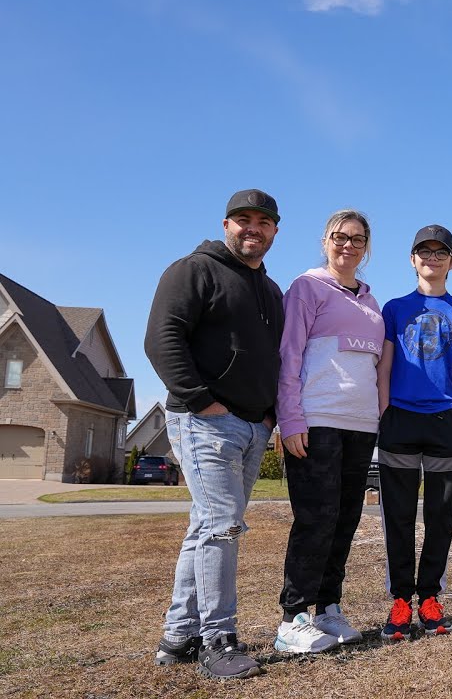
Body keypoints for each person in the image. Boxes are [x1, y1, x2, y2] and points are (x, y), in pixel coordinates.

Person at [144, 189, 285, 680]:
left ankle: (178, 635)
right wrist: (203, 401)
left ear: (274, 231)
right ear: (226, 225)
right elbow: (162, 338)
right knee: (223, 527)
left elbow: (274, 357)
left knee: (207, 527)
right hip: (204, 420)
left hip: (252, 425)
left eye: (263, 222)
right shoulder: (192, 270)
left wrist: (268, 415)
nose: (253, 228)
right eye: (242, 219)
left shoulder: (270, 291)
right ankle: (218, 639)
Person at [273, 209, 383, 653]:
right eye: (339, 237)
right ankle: (292, 617)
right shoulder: (307, 287)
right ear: (325, 241)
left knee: (344, 520)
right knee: (314, 519)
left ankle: (328, 609)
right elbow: (289, 356)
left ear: (366, 247)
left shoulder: (372, 302)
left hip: (360, 425)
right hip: (317, 421)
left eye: (357, 239)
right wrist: (290, 419)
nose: (348, 245)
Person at [375, 224, 452, 641]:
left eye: (441, 252)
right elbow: (383, 366)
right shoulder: (394, 308)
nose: (432, 257)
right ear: (412, 259)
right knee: (398, 517)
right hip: (399, 418)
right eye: (424, 251)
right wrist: (384, 412)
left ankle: (430, 597)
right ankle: (401, 601)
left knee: (440, 517)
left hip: (443, 422)